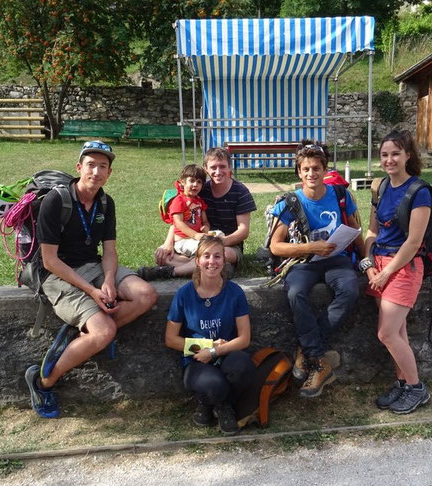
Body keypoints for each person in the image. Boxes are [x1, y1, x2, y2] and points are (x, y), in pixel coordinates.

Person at [25, 140, 158, 418]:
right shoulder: (56, 201)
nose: (96, 172)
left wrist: (109, 279)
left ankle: (78, 338)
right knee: (105, 331)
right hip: (57, 274)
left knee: (146, 295)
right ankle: (43, 381)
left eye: (103, 166)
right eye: (91, 165)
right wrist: (92, 291)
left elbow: (109, 250)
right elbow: (49, 260)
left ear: (109, 173)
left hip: (93, 265)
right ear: (79, 167)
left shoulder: (106, 203)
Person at [269, 140, 365, 398]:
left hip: (337, 259)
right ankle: (319, 360)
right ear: (299, 172)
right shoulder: (289, 203)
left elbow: (356, 232)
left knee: (349, 290)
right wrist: (310, 247)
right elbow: (276, 247)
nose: (311, 173)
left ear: (325, 170)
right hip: (304, 262)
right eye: (306, 169)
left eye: (316, 168)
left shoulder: (341, 196)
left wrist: (366, 261)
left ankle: (307, 348)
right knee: (295, 293)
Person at [362, 130, 432, 415]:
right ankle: (402, 383)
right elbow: (372, 230)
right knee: (398, 332)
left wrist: (386, 272)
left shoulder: (419, 192)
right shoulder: (379, 187)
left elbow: (413, 242)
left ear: (408, 156)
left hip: (403, 267)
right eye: (385, 154)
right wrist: (368, 264)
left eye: (395, 154)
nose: (389, 159)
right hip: (377, 265)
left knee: (387, 333)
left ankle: (417, 388)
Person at [165, 235, 255, 435]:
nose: (212, 262)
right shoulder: (184, 294)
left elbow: (244, 338)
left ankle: (217, 405)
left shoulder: (235, 292)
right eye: (206, 256)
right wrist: (205, 346)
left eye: (217, 256)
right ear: (197, 261)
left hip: (226, 352)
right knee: (214, 385)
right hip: (196, 359)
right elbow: (171, 339)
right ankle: (213, 402)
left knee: (244, 367)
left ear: (224, 260)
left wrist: (215, 350)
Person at [145, 147, 256, 280]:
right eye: (213, 167)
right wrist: (167, 243)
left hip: (229, 245)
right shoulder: (200, 189)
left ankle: (172, 271)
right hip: (197, 241)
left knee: (217, 254)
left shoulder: (240, 192)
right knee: (164, 254)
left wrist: (221, 242)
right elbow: (179, 219)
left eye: (222, 167)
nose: (218, 171)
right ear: (206, 168)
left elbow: (243, 231)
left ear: (229, 168)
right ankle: (215, 268)